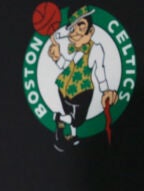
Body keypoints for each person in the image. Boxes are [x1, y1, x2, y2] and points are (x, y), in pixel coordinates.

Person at [47, 5, 118, 151]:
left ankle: (72, 135)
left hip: (77, 90)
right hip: (68, 89)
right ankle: (59, 118)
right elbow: (67, 66)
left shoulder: (96, 49)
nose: (76, 32)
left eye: (81, 26)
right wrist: (57, 57)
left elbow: (100, 71)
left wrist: (105, 91)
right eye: (72, 28)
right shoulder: (76, 50)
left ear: (90, 31)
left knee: (75, 119)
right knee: (76, 119)